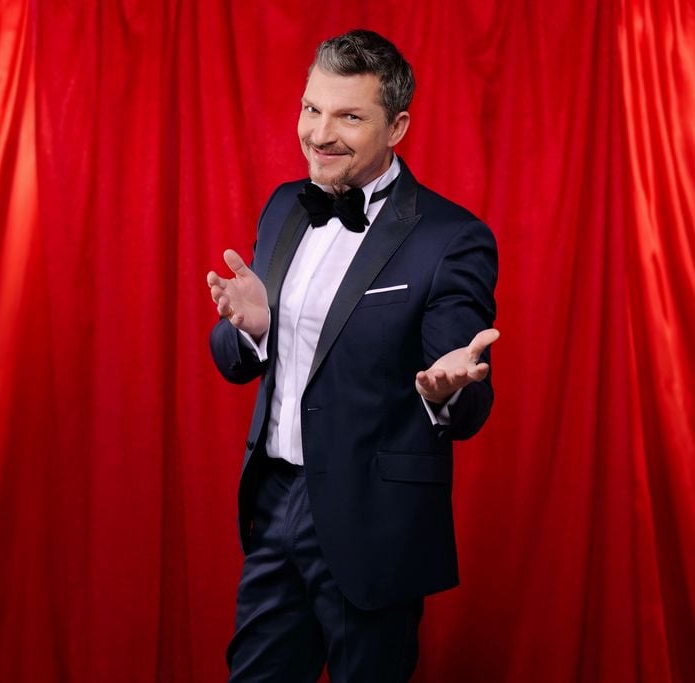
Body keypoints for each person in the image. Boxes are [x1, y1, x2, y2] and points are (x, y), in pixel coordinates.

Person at [206, 28, 499, 682]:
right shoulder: (284, 207)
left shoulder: (451, 237)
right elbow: (233, 359)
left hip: (374, 524)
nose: (320, 134)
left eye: (349, 117)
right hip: (275, 504)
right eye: (312, 108)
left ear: (397, 127)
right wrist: (252, 329)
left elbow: (469, 390)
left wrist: (446, 390)